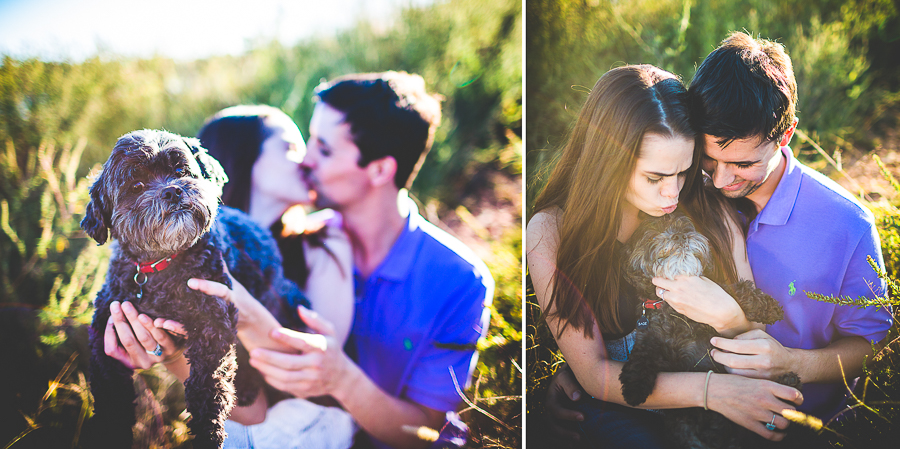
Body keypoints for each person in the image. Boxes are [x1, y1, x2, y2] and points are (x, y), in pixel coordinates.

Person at [541, 32, 893, 441]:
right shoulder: (691, 194)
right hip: (683, 399)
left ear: (786, 135)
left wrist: (789, 360)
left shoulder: (845, 225)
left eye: (742, 163)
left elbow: (872, 344)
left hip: (789, 421)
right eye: (708, 159)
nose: (721, 179)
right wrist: (591, 368)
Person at [190, 72, 494, 449]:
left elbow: (426, 433)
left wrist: (341, 379)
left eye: (324, 148)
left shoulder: (460, 282)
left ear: (380, 169)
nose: (306, 159)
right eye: (308, 139)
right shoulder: (294, 244)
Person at [526, 64, 804, 447]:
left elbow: (754, 335)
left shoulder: (708, 203)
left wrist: (729, 317)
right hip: (627, 409)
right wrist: (714, 392)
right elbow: (594, 373)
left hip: (716, 393)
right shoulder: (551, 231)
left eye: (684, 172)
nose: (671, 195)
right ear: (608, 163)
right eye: (654, 178)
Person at [103, 105, 356, 448]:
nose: (308, 160)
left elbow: (318, 377)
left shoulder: (322, 240)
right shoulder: (183, 255)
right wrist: (173, 354)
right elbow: (249, 411)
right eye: (291, 148)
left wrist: (247, 314)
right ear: (244, 157)